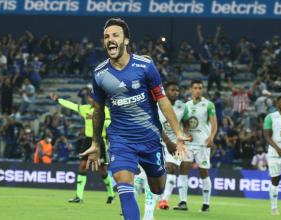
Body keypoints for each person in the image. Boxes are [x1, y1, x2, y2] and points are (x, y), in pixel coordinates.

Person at [80, 18, 188, 220]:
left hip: (149, 138)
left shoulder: (145, 66)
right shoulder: (100, 74)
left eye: (115, 35)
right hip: (121, 139)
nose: (110, 40)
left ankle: (149, 176)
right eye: (106, 37)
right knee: (123, 183)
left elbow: (163, 101)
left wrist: (178, 134)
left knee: (158, 188)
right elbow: (98, 110)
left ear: (126, 40)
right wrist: (96, 142)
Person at [50, 93, 115, 204]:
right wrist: (58, 100)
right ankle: (79, 197)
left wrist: (99, 119)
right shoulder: (85, 109)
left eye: (91, 98)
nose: (90, 100)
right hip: (88, 140)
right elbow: (72, 105)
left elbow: (109, 124)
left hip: (100, 141)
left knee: (102, 169)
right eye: (89, 98)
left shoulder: (105, 109)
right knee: (82, 166)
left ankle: (111, 194)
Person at [173, 80, 217, 212]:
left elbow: (214, 124)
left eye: (200, 88)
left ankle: (206, 204)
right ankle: (183, 202)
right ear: (191, 90)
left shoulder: (208, 104)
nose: (198, 90)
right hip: (188, 143)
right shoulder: (185, 105)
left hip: (202, 143)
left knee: (203, 171)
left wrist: (211, 138)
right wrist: (182, 137)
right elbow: (182, 124)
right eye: (196, 88)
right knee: (183, 169)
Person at [157, 82, 185, 210]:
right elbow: (155, 125)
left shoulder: (183, 106)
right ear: (166, 91)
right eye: (173, 90)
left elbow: (187, 121)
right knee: (157, 172)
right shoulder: (158, 106)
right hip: (159, 142)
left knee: (172, 168)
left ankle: (164, 200)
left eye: (177, 90)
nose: (176, 92)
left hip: (176, 145)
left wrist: (184, 136)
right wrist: (167, 141)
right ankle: (158, 197)